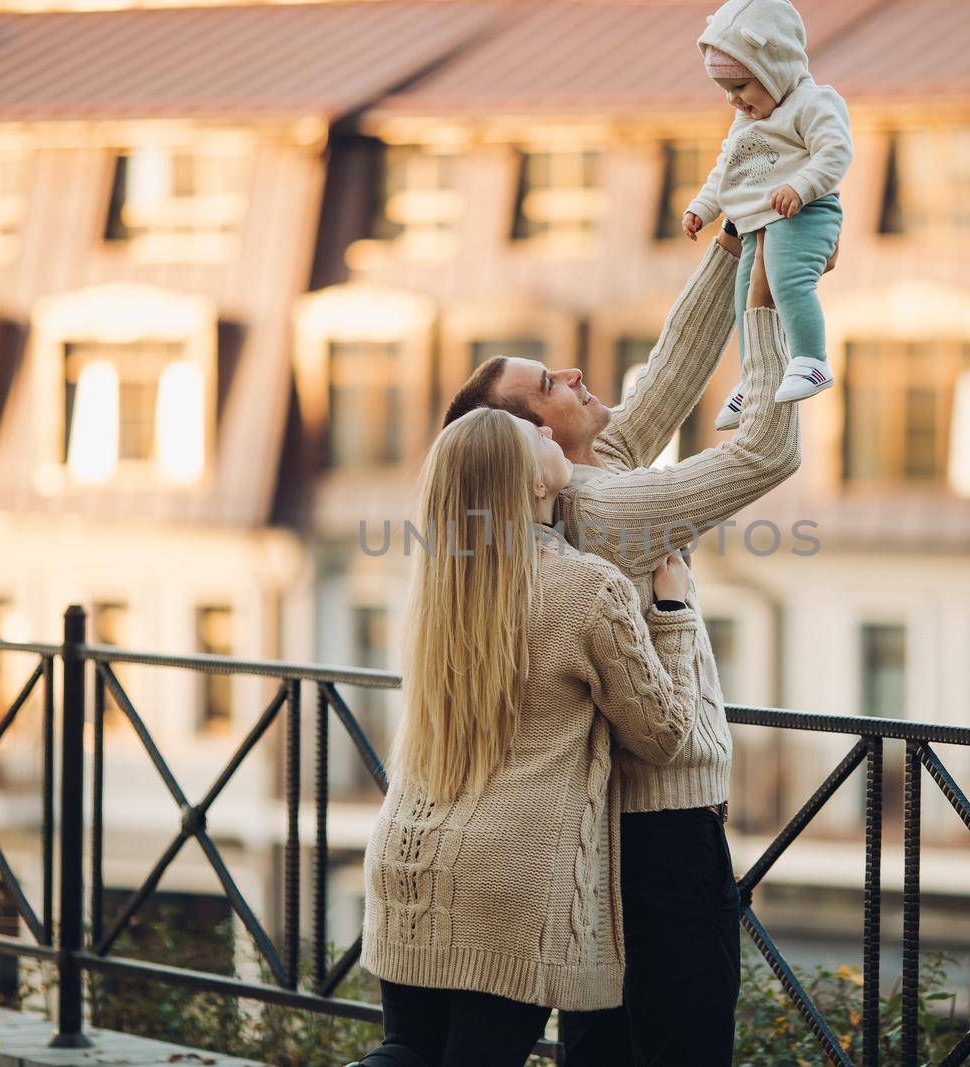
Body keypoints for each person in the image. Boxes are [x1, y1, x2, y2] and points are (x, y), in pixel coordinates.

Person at [443, 224, 813, 1064]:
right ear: (534, 440)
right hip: (665, 827)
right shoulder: (606, 509)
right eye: (549, 384)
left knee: (607, 1043)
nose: (573, 372)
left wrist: (735, 242)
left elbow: (675, 366)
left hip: (610, 826)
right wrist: (771, 304)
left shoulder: (576, 482)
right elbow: (766, 449)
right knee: (681, 1040)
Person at [354, 407, 702, 1067]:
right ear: (533, 485)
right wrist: (674, 612)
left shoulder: (438, 584)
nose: (549, 430)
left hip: (406, 856)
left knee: (404, 1052)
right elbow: (662, 734)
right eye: (533, 435)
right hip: (507, 883)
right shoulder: (587, 586)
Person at [683, 0, 852, 430]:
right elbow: (728, 170)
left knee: (788, 282)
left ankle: (812, 360)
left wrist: (800, 187)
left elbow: (835, 152)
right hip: (757, 223)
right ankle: (756, 378)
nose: (733, 100)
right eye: (725, 90)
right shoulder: (745, 123)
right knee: (746, 302)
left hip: (806, 212)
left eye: (740, 86)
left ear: (774, 67)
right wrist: (702, 208)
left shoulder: (813, 103)